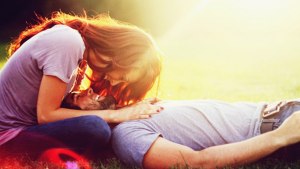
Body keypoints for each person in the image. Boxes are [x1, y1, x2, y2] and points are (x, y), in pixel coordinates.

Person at [0, 11, 162, 160]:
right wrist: (116, 116)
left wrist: (127, 109)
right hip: (6, 137)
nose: (114, 82)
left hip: (23, 129)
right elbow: (47, 115)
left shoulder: (78, 51)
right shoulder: (69, 43)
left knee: (96, 125)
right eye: (123, 76)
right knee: (95, 127)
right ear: (119, 56)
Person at [110, 99, 300, 169]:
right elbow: (197, 162)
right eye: (79, 98)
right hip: (278, 127)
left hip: (283, 108)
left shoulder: (142, 106)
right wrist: (280, 136)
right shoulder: (126, 134)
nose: (89, 91)